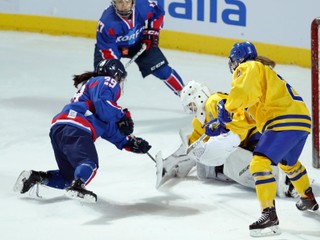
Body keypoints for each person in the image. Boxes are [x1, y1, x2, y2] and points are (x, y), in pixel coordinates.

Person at [208, 41, 319, 237]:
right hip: (300, 121)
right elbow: (249, 119)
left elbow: (240, 93)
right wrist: (225, 124)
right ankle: (308, 198)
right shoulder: (263, 77)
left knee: (259, 164)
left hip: (282, 120)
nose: (233, 66)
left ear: (238, 59)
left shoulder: (249, 67)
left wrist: (226, 107)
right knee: (288, 164)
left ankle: (269, 217)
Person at [13, 59, 151, 203]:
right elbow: (104, 106)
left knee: (68, 178)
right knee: (89, 163)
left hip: (60, 128)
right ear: (115, 75)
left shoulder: (93, 94)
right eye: (119, 79)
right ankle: (78, 186)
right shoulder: (105, 81)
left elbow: (107, 126)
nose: (118, 83)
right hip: (77, 127)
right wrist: (122, 115)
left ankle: (36, 177)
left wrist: (129, 143)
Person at [155, 80, 297, 199]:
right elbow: (192, 145)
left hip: (256, 134)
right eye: (189, 107)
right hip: (244, 142)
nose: (192, 109)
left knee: (236, 158)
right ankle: (219, 170)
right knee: (206, 166)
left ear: (199, 97)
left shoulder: (213, 101)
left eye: (192, 105)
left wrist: (223, 124)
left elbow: (229, 111)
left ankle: (285, 179)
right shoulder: (199, 122)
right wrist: (172, 163)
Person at [94, 0, 185, 96]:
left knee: (162, 70)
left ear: (133, 2)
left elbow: (158, 13)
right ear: (114, 2)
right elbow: (106, 48)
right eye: (120, 2)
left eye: (127, 2)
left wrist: (152, 31)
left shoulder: (142, 6)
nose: (124, 6)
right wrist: (113, 65)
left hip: (139, 43)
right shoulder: (106, 22)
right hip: (114, 48)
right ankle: (97, 98)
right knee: (104, 75)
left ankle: (184, 94)